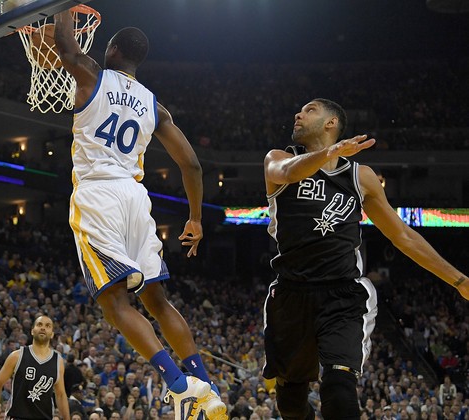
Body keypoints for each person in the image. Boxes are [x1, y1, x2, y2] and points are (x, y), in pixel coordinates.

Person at [54, 11, 225, 420]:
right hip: (135, 196)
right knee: (158, 301)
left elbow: (64, 46)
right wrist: (196, 219)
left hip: (98, 194)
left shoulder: (93, 74)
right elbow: (193, 166)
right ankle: (206, 386)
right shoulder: (154, 104)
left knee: (113, 303)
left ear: (111, 50)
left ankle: (180, 386)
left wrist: (61, 6)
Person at [261, 98, 469, 420]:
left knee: (339, 390)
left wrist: (459, 280)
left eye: (310, 110)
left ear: (331, 123)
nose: (298, 114)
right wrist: (329, 154)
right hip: (291, 295)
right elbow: (287, 172)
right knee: (290, 402)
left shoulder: (362, 177)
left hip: (343, 295)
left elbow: (402, 236)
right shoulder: (278, 159)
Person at [0, 316, 69, 420]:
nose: (43, 328)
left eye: (47, 326)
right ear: (32, 331)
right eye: (39, 325)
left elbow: (61, 395)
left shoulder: (58, 361)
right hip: (17, 417)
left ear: (52, 334)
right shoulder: (17, 356)